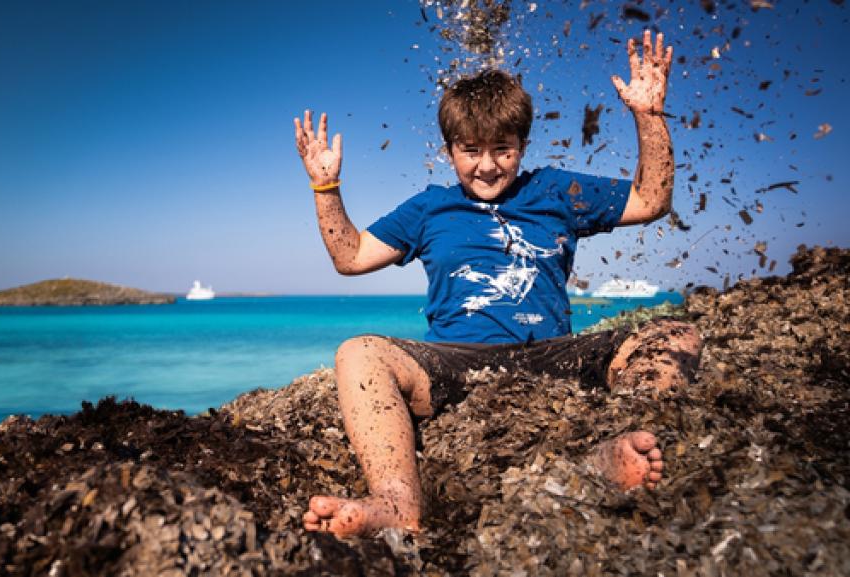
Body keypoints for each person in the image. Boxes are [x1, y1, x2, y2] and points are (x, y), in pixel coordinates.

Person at [293, 31, 701, 538]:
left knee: (671, 334)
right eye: (470, 150)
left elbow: (650, 199)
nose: (487, 165)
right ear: (449, 151)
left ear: (522, 145)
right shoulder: (428, 208)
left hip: (555, 357)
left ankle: (615, 451)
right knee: (358, 352)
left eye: (502, 149)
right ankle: (397, 503)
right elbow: (349, 257)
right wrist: (325, 186)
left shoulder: (555, 190)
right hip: (455, 364)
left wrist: (648, 116)